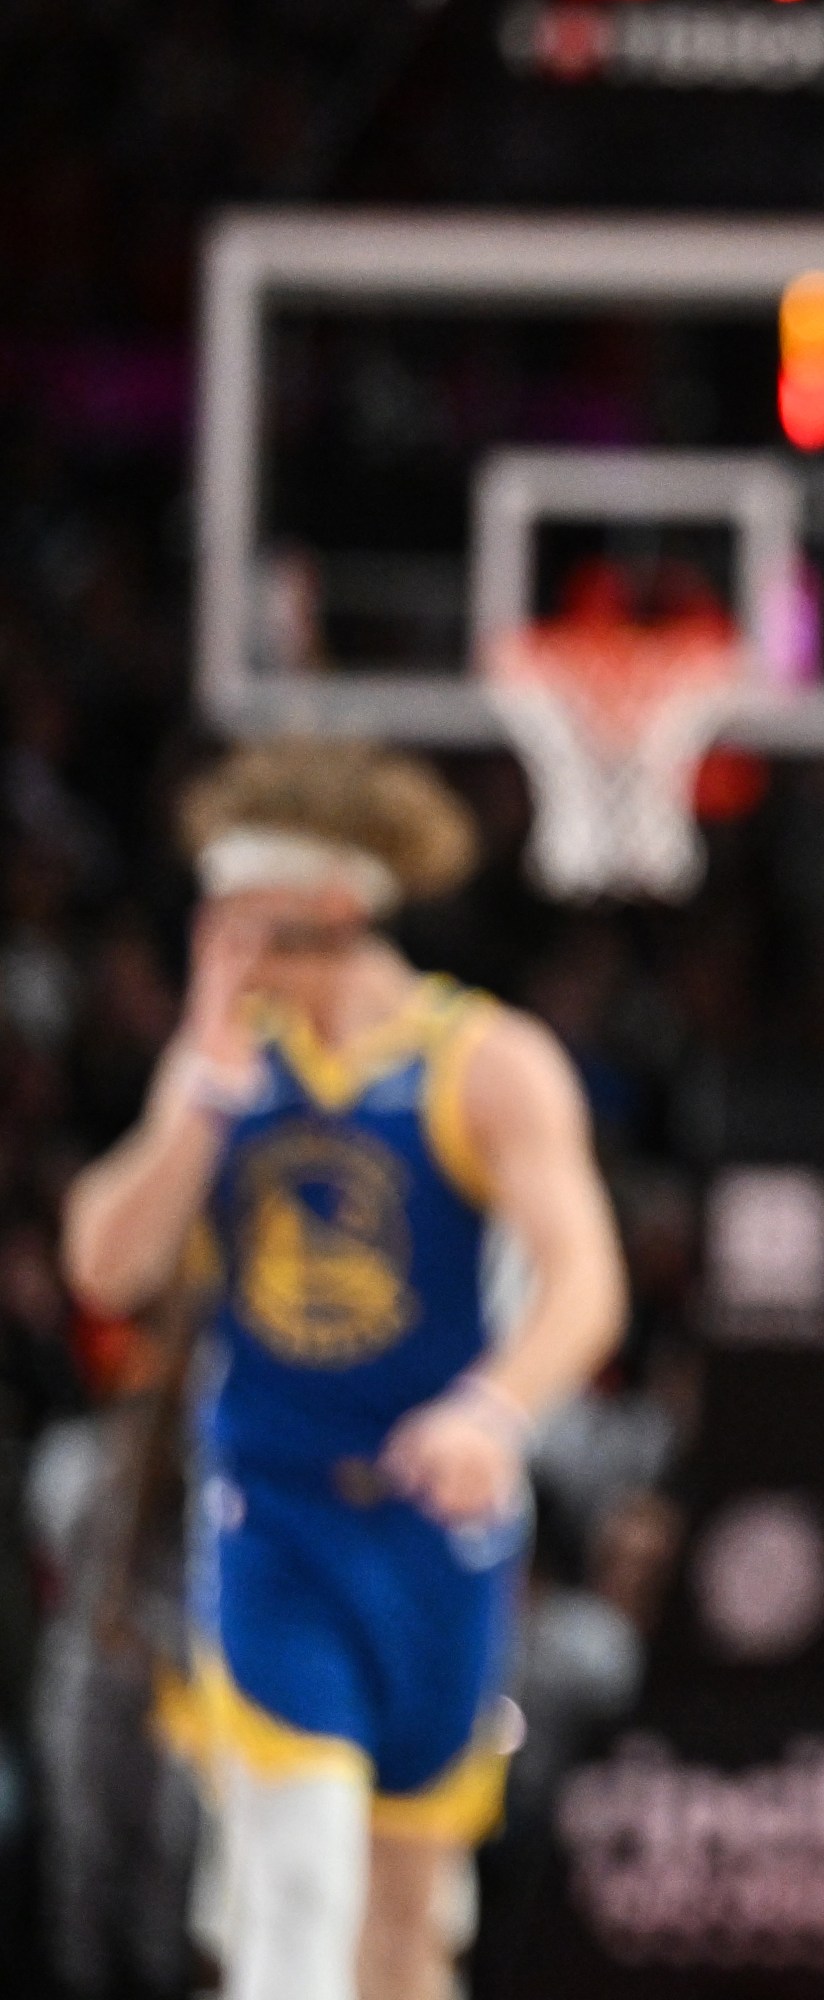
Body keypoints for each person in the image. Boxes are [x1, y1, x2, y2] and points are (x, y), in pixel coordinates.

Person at [60, 742, 628, 2000]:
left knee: (404, 1931)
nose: (215, 950)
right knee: (298, 1881)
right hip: (277, 1514)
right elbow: (105, 1262)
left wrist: (494, 1407)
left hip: (437, 1528)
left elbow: (588, 1280)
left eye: (240, 925)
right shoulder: (227, 1065)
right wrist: (194, 1100)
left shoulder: (484, 1062)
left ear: (325, 916)